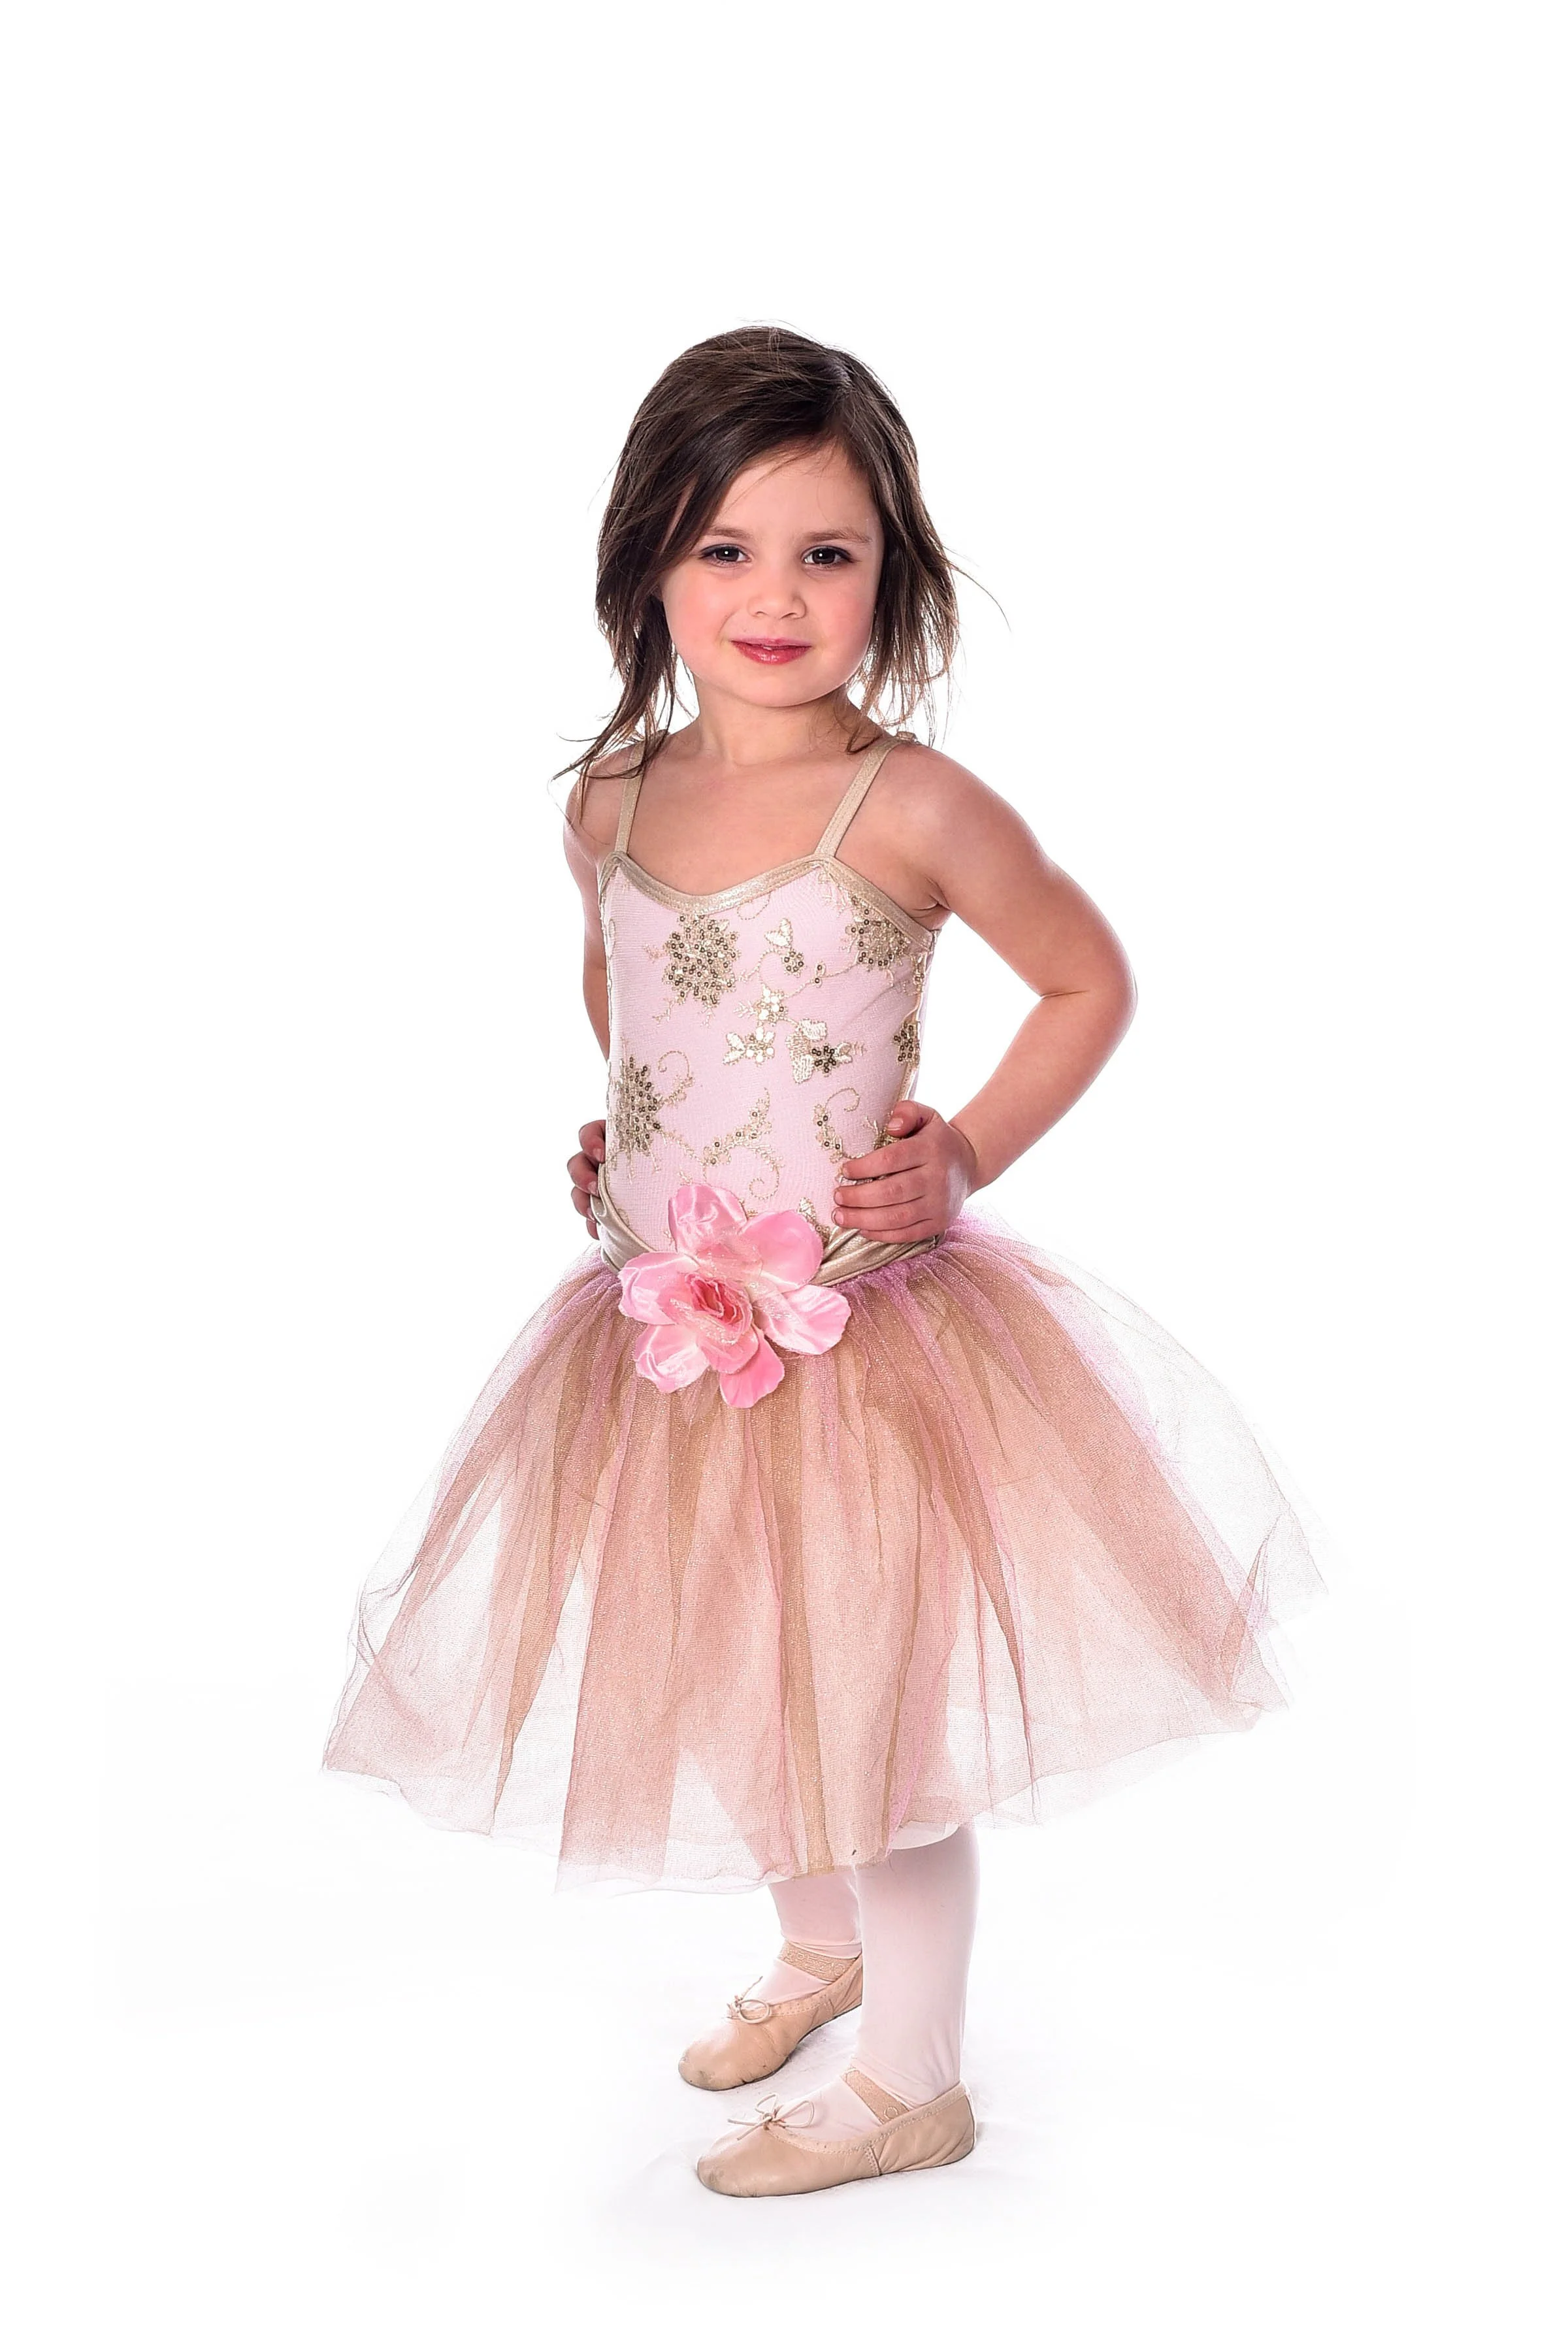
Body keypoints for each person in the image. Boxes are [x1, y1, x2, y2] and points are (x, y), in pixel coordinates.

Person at [322, 324, 1324, 2198]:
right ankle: (819, 1951)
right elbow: (629, 977)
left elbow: (1089, 978)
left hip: (863, 1343)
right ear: (644, 567)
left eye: (826, 553)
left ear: (896, 576)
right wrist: (625, 1129)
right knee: (732, 1668)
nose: (772, 595)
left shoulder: (914, 807)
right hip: (663, 1336)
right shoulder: (609, 801)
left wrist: (960, 1154)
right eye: (723, 549)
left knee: (869, 1716)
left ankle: (917, 2083)